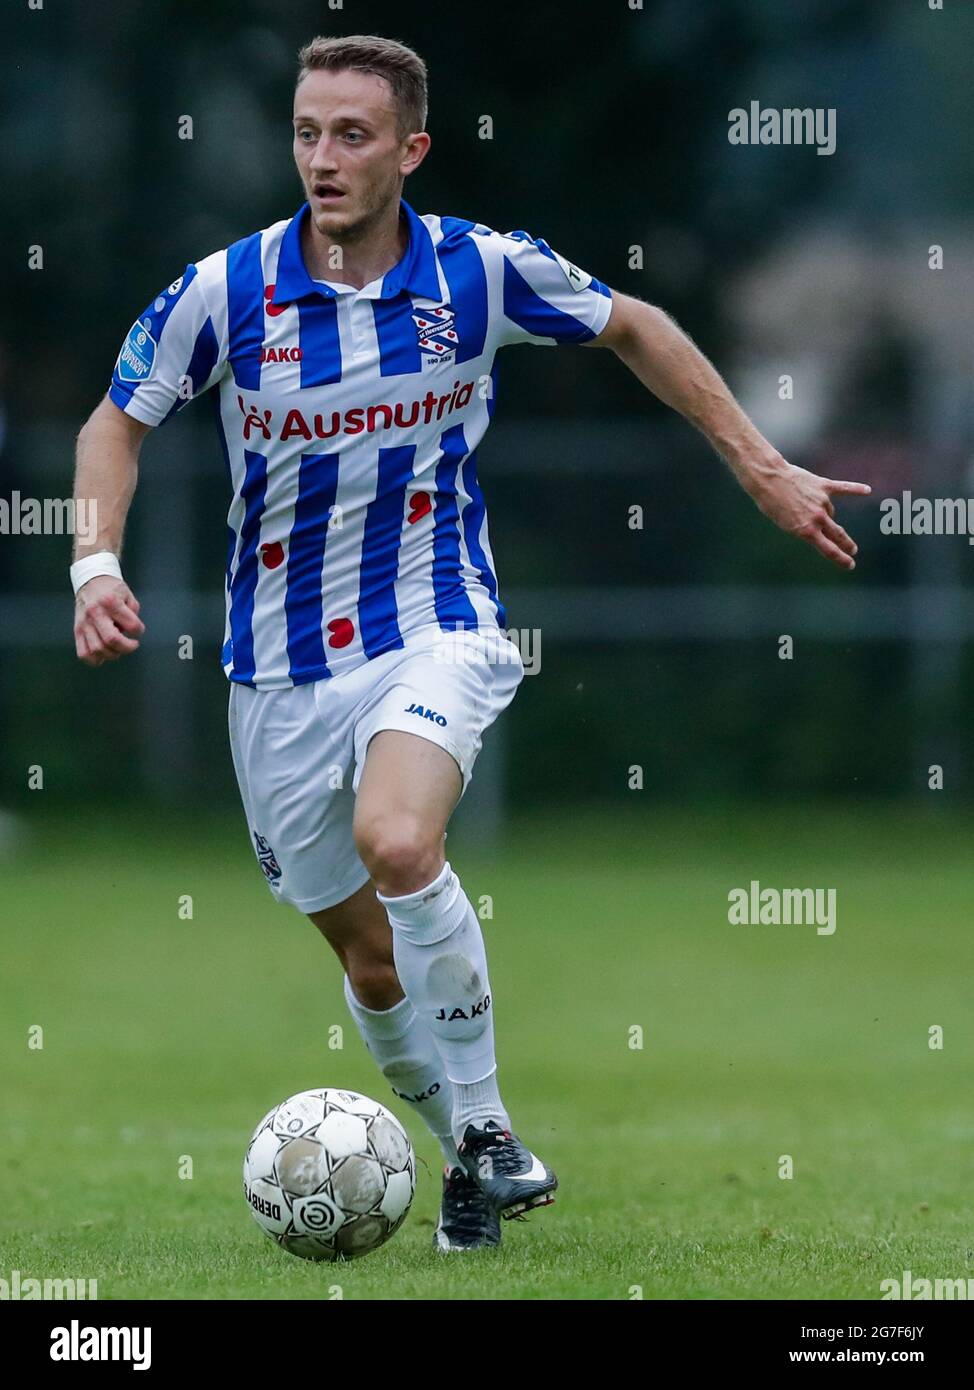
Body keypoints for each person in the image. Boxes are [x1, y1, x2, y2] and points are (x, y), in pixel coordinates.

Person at [71, 34, 870, 1251]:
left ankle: (488, 1125)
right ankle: (459, 1162)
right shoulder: (224, 292)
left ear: (410, 149)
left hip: (433, 620)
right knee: (372, 963)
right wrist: (92, 565)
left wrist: (759, 468)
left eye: (351, 134)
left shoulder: (478, 275)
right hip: (276, 665)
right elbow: (112, 427)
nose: (322, 158)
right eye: (305, 132)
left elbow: (636, 324)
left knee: (397, 836)